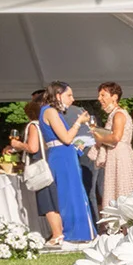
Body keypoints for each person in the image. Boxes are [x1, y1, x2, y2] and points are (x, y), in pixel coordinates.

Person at [38, 81, 96, 243]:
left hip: (61, 154)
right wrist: (79, 122)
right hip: (63, 156)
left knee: (68, 192)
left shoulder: (49, 112)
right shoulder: (50, 112)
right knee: (72, 193)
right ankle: (78, 232)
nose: (72, 99)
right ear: (58, 95)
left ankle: (75, 231)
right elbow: (66, 138)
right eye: (69, 95)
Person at [5, 98, 63, 246]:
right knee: (55, 199)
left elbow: (33, 147)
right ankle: (60, 231)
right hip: (52, 163)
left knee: (47, 201)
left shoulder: (33, 126)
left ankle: (57, 234)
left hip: (40, 167)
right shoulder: (48, 124)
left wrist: (17, 144)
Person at [92, 82, 133, 213]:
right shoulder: (114, 114)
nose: (99, 98)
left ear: (114, 97)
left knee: (122, 189)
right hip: (115, 156)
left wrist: (99, 138)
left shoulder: (119, 114)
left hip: (120, 157)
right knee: (115, 189)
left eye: (103, 95)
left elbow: (116, 137)